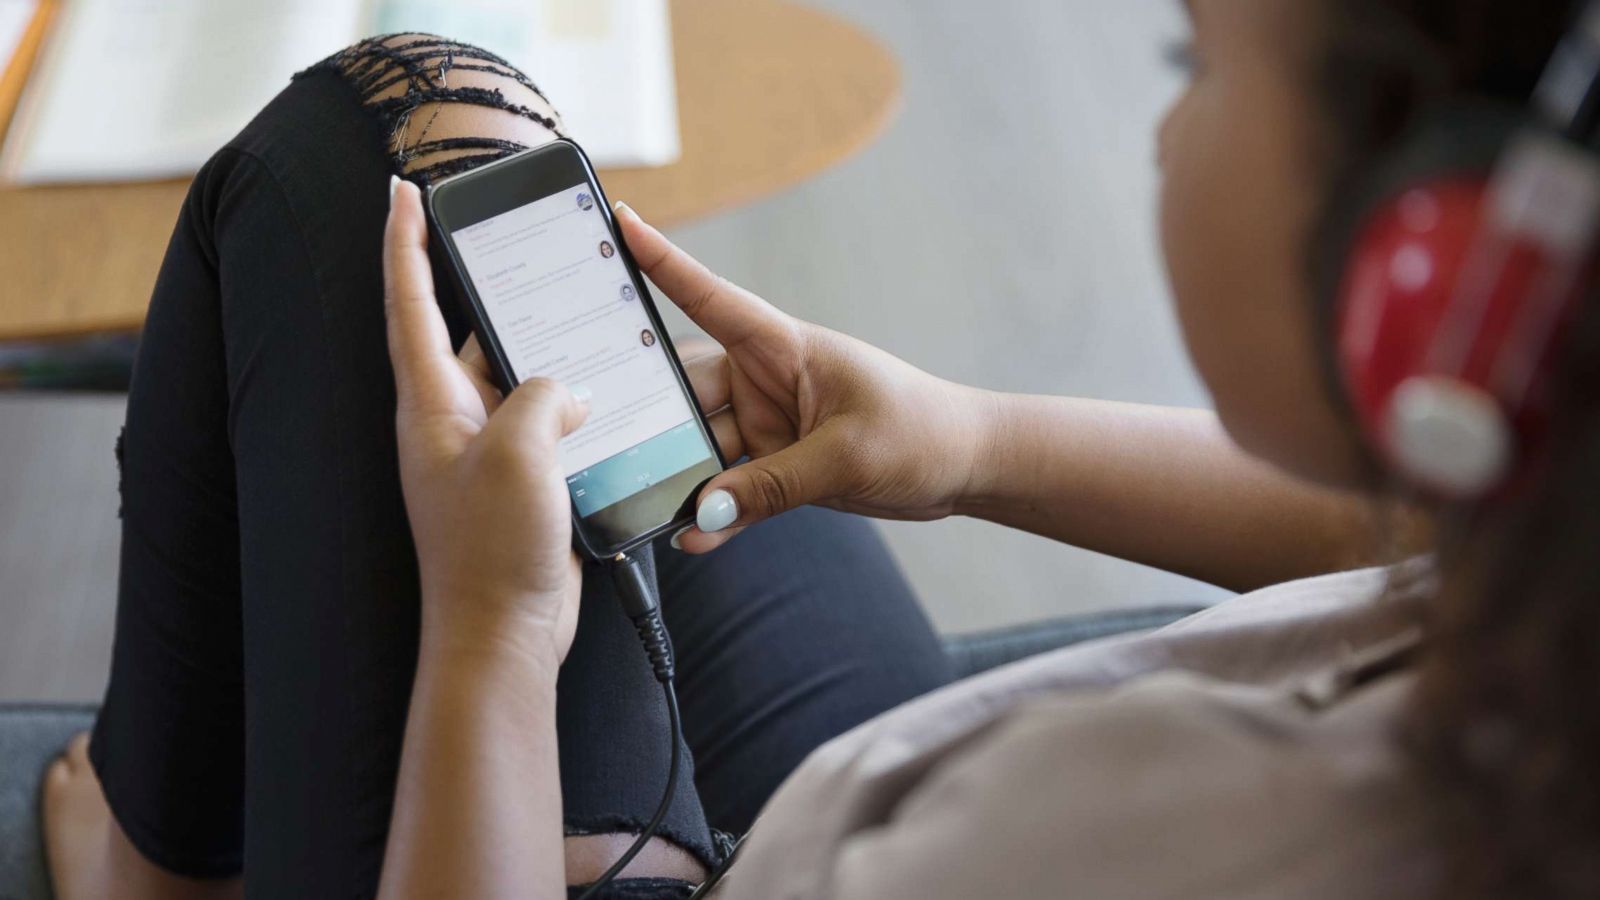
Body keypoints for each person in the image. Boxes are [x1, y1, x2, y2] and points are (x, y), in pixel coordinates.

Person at [38, 4, 1600, 900]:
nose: (1163, 127)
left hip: (866, 845)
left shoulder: (1128, 848)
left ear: (1446, 266)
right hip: (879, 798)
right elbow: (1398, 556)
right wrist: (966, 442)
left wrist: (492, 645)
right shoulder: (1555, 576)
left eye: (1193, 62)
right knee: (588, 340)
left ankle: (157, 863)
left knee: (360, 150)